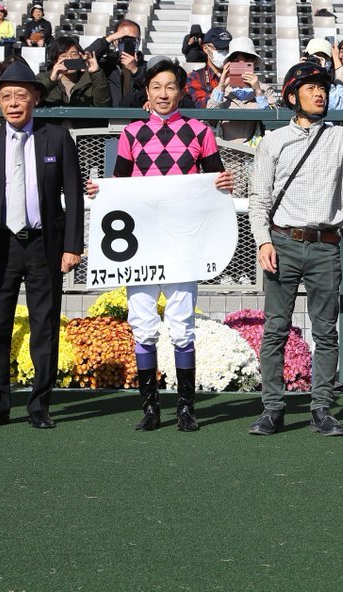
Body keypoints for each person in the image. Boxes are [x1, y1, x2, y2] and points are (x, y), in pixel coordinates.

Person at [247, 62, 343, 437]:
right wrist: (263, 240)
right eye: (311, 88)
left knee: (326, 331)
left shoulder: (341, 136)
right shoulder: (273, 141)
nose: (319, 93)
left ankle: (321, 408)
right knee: (276, 329)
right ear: (292, 96)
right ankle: (273, 409)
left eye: (323, 88)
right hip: (282, 242)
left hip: (326, 245)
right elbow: (258, 199)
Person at [86, 59, 233, 431]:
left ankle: (186, 408)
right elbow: (120, 185)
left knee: (182, 326)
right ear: (147, 92)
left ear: (180, 91)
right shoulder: (132, 133)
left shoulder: (200, 131)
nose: (163, 94)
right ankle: (150, 408)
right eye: (156, 87)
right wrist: (101, 191)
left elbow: (216, 180)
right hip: (144, 246)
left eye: (170, 87)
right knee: (143, 325)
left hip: (184, 244)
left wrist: (224, 183)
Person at [0, 62, 83, 429]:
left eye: (20, 95)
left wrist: (72, 245)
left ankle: (39, 406)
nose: (13, 103)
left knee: (43, 325)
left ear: (35, 98)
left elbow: (74, 197)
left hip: (45, 244)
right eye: (6, 97)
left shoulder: (57, 137)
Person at [207, 36, 274, 141]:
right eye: (237, 61)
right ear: (229, 64)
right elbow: (210, 118)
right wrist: (221, 86)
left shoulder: (265, 89)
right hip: (226, 151)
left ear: (254, 63)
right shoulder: (220, 90)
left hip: (255, 151)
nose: (241, 65)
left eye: (247, 61)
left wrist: (258, 91)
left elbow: (271, 121)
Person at [37, 35, 111, 107]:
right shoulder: (42, 79)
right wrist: (51, 81)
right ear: (54, 60)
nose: (69, 58)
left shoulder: (92, 79)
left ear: (80, 56)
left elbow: (103, 104)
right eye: (64, 56)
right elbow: (32, 101)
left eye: (74, 54)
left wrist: (96, 73)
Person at [95, 20, 147, 108]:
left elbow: (153, 88)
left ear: (139, 41)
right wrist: (108, 39)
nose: (128, 42)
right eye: (123, 39)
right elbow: (86, 59)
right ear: (115, 41)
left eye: (133, 39)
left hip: (137, 118)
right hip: (109, 116)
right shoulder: (106, 65)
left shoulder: (147, 67)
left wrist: (135, 70)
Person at [185, 26, 231, 107]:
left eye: (228, 49)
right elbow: (198, 107)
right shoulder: (194, 77)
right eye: (219, 49)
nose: (225, 53)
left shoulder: (237, 75)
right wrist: (221, 87)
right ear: (206, 49)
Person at [304, 37, 343, 110]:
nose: (319, 61)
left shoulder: (338, 86)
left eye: (324, 57)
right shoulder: (298, 79)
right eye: (315, 56)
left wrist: (323, 76)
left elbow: (338, 108)